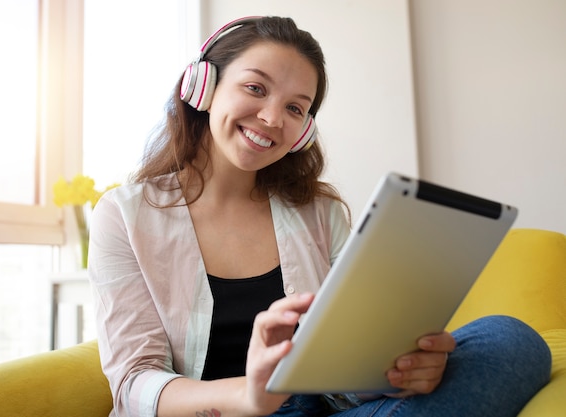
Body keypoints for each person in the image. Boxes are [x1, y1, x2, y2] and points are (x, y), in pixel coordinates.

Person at [88, 16, 551, 417]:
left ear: (304, 130)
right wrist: (249, 397)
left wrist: (396, 373)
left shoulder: (320, 213)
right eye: (255, 88)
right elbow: (134, 383)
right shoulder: (124, 215)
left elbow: (346, 380)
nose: (272, 118)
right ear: (203, 87)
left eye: (295, 107)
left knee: (509, 339)